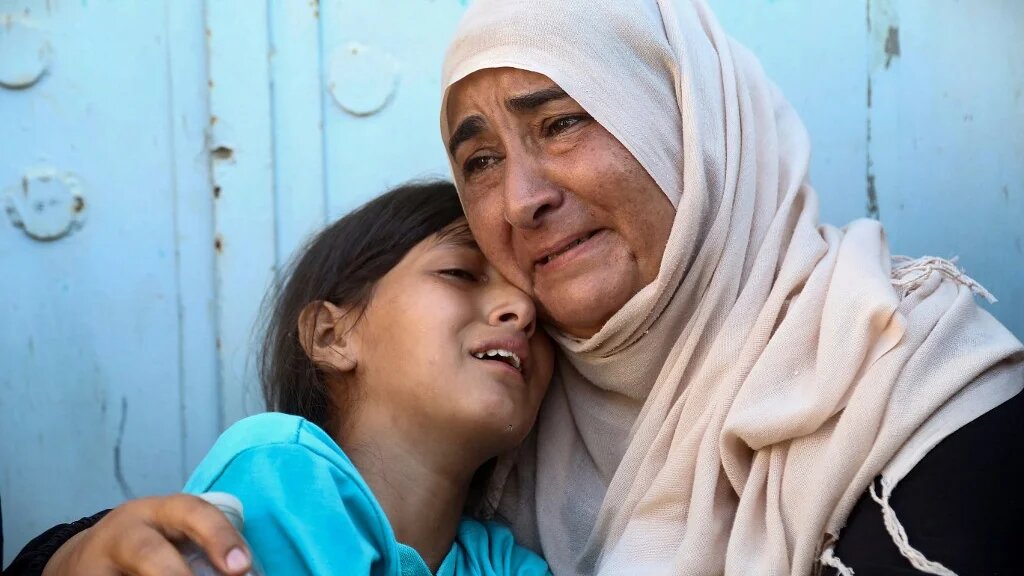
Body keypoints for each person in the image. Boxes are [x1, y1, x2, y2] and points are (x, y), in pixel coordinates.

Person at [12, 1, 1024, 575]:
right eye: (479, 157)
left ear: (687, 129)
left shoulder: (901, 370)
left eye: (560, 122)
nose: (521, 200)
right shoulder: (514, 424)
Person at [9, 181, 553, 575]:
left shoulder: (505, 560)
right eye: (459, 273)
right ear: (330, 337)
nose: (520, 311)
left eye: (539, 307)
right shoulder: (280, 470)